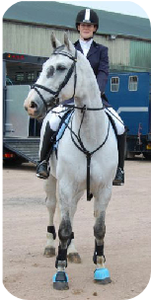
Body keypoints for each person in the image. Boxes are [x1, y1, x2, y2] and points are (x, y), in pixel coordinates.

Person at [36, 8, 126, 186]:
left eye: (90, 25)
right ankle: (43, 162)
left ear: (94, 28)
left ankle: (119, 169)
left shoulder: (101, 50)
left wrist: (97, 92)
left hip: (96, 100)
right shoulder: (69, 49)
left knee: (119, 125)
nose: (86, 28)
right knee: (52, 121)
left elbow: (103, 71)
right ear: (78, 27)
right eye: (83, 25)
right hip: (70, 99)